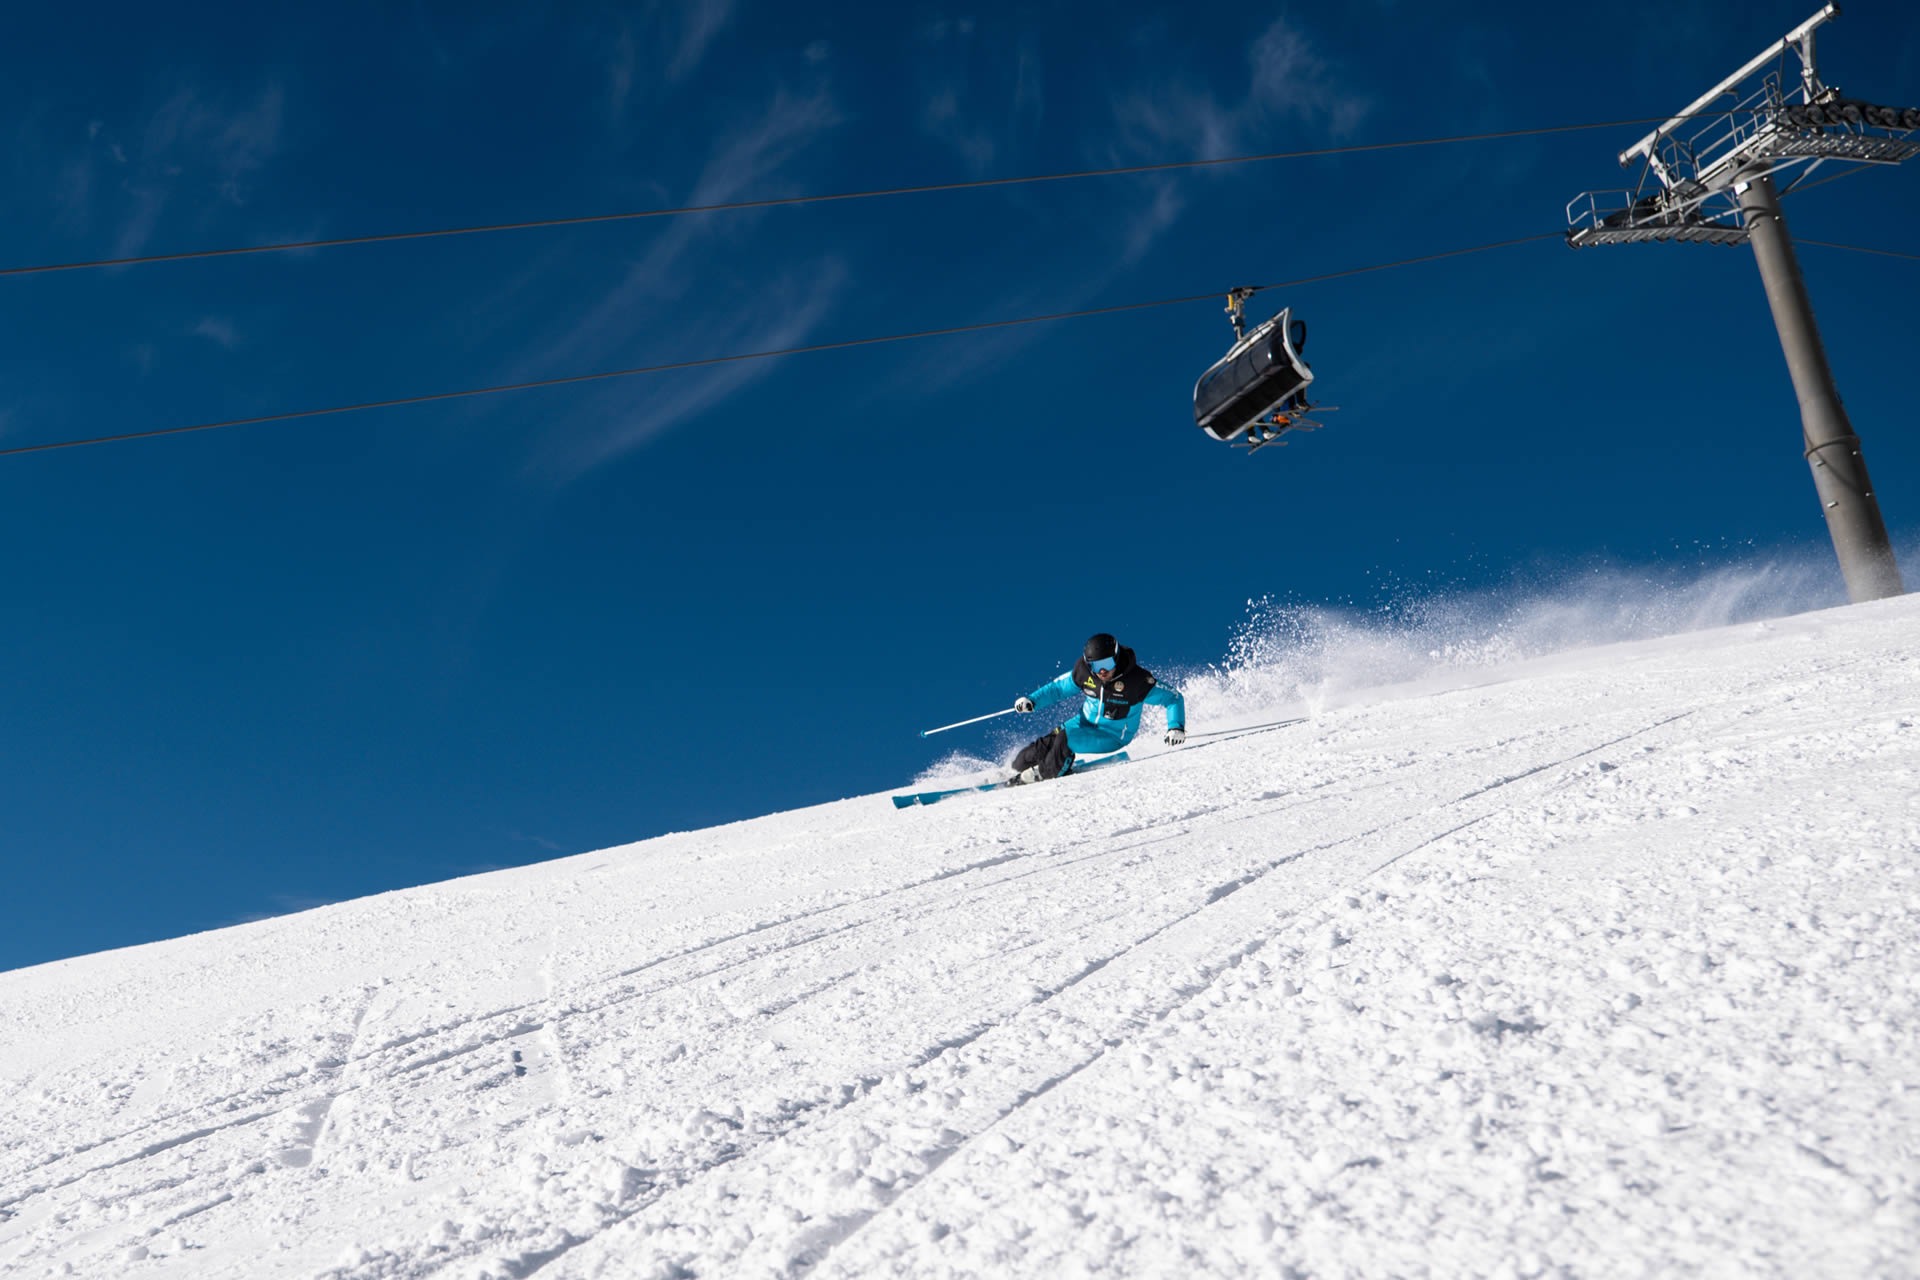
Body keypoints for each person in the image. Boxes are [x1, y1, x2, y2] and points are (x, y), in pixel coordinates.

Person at [1007, 633, 1186, 784]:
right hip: (1083, 724)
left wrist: (1175, 727)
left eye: (1107, 664)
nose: (1102, 671)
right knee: (1039, 748)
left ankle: (1044, 773)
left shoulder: (1136, 681)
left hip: (1112, 736)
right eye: (1096, 666)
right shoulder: (1085, 673)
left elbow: (1173, 698)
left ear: (1116, 657)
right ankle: (1015, 769)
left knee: (1065, 739)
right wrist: (1032, 700)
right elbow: (1058, 689)